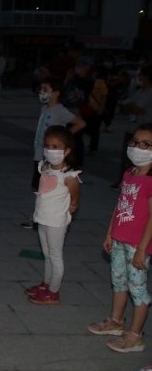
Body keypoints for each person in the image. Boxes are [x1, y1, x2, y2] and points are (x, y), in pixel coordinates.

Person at [87, 123, 152, 353]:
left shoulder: (150, 181)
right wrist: (109, 233)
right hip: (119, 239)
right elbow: (119, 205)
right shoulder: (129, 173)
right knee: (119, 282)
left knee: (138, 290)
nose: (137, 147)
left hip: (138, 246)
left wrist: (143, 249)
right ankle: (116, 321)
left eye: (146, 145)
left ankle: (135, 335)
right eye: (135, 142)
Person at [24, 126, 82, 305]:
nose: (50, 150)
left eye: (56, 147)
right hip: (43, 218)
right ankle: (46, 283)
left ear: (67, 151)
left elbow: (75, 194)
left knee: (55, 255)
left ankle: (54, 291)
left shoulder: (68, 176)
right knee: (47, 253)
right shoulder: (46, 167)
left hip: (56, 221)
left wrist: (73, 205)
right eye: (47, 146)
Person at [20, 77, 85, 228]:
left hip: (51, 157)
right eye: (41, 89)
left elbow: (80, 123)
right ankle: (38, 216)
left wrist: (64, 137)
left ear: (56, 93)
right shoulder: (45, 109)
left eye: (45, 89)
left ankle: (45, 217)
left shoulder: (60, 110)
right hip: (40, 154)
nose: (42, 92)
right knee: (38, 186)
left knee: (48, 188)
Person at [61, 56, 107, 167]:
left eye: (81, 66)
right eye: (77, 66)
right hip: (70, 112)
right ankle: (71, 162)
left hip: (79, 114)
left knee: (75, 138)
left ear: (88, 68)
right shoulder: (74, 79)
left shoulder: (89, 81)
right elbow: (65, 92)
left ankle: (75, 163)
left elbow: (80, 97)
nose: (78, 69)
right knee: (71, 138)